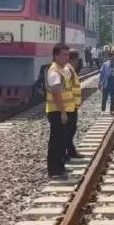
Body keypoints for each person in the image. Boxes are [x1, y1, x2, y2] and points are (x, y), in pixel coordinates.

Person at [45, 44, 77, 179]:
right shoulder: (54, 72)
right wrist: (63, 113)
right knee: (56, 142)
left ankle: (60, 167)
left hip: (64, 111)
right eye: (63, 55)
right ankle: (54, 170)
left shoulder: (62, 70)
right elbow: (56, 94)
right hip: (57, 112)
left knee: (62, 141)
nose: (66, 57)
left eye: (67, 55)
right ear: (55, 55)